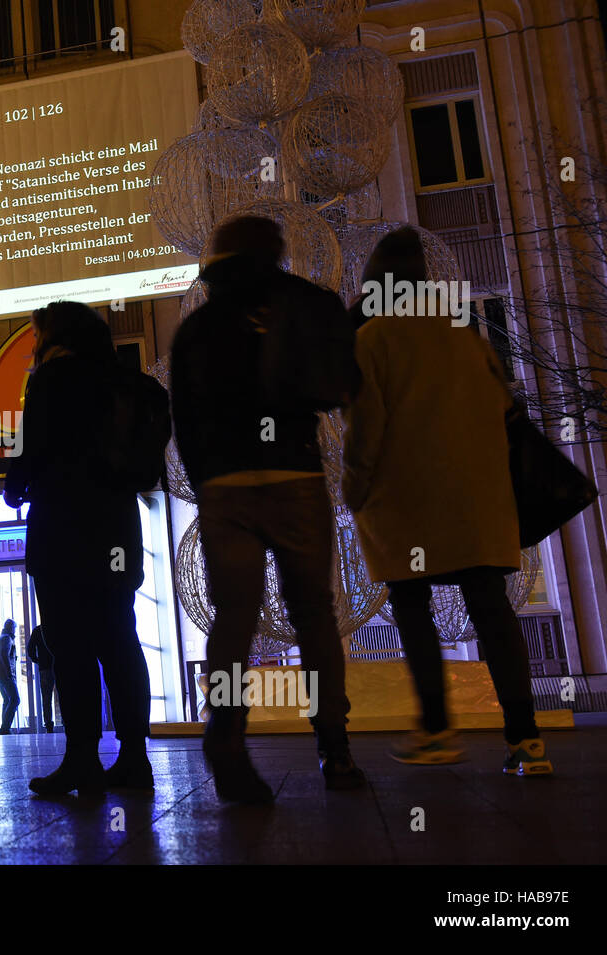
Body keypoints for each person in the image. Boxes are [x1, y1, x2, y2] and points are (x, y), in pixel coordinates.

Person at [170, 216, 366, 804]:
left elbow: (185, 419)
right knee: (313, 615)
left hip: (226, 485)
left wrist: (209, 481)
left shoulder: (198, 328)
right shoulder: (307, 303)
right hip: (295, 472)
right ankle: (336, 750)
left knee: (234, 617)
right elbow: (340, 386)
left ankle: (226, 737)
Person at [342, 226, 552, 775]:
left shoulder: (371, 340)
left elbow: (367, 429)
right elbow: (504, 412)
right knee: (491, 609)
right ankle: (526, 739)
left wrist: (354, 487)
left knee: (412, 607)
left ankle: (435, 728)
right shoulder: (465, 335)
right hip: (476, 500)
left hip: (406, 497)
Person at [5, 301, 153, 796]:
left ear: (54, 336)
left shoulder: (52, 379)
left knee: (70, 647)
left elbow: (29, 451)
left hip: (63, 527)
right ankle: (134, 758)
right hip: (115, 525)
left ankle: (83, 760)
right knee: (120, 639)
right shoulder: (126, 380)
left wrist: (14, 485)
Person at [26, 624, 58, 733]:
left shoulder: (38, 630)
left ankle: (49, 725)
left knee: (46, 698)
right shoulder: (58, 627)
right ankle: (67, 723)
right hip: (60, 666)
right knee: (63, 696)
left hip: (44, 667)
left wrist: (38, 661)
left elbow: (30, 650)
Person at [0, 620, 21, 734]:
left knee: (7, 700)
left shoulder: (2, 637)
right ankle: (5, 728)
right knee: (15, 700)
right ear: (12, 628)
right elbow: (4, 656)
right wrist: (10, 674)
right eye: (14, 628)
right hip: (5, 675)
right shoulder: (7, 638)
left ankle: (4, 728)